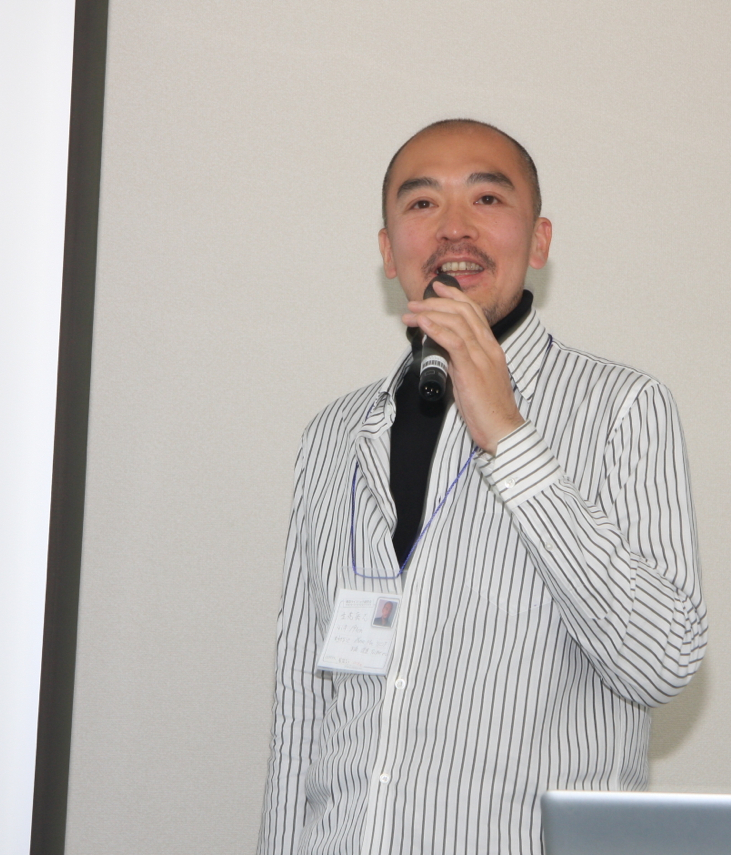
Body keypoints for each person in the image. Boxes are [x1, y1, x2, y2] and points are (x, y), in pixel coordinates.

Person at [257, 119, 707, 855]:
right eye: (423, 203)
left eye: (488, 199)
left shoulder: (623, 407)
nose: (454, 229)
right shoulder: (334, 433)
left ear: (539, 241)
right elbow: (301, 702)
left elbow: (663, 661)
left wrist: (508, 434)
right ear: (387, 250)